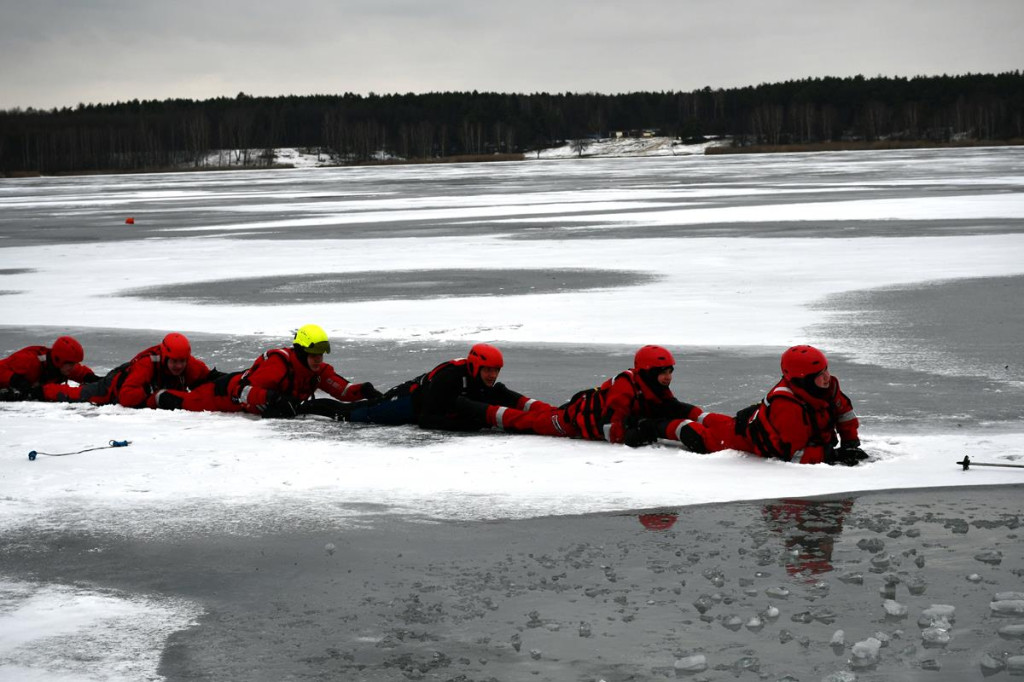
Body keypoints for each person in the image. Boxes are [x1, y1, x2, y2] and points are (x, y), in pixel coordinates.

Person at [454, 345, 721, 452]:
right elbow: (611, 430)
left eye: (670, 371)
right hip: (574, 422)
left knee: (543, 412)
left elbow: (670, 407)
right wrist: (641, 430)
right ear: (647, 372)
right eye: (662, 372)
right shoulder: (626, 388)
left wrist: (703, 418)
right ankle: (474, 408)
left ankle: (502, 394)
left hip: (580, 409)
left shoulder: (654, 387)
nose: (667, 377)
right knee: (527, 421)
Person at [704, 345, 868, 465]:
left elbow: (844, 414)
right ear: (804, 380)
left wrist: (850, 443)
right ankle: (679, 417)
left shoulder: (828, 388)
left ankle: (695, 414)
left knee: (713, 420)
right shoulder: (788, 407)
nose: (827, 377)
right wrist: (832, 455)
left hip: (750, 419)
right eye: (820, 374)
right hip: (742, 438)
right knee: (698, 434)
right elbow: (793, 454)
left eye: (826, 369)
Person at [176, 324, 380, 418]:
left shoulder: (316, 370)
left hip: (237, 388)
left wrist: (365, 391)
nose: (319, 358)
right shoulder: (279, 365)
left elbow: (343, 391)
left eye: (321, 354)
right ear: (301, 352)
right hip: (222, 394)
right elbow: (241, 392)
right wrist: (273, 398)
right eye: (313, 354)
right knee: (180, 401)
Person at [338, 342, 553, 432]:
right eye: (488, 369)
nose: (493, 375)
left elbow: (511, 398)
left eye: (496, 370)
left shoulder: (486, 384)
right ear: (475, 366)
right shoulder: (450, 378)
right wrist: (470, 424)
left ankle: (369, 391)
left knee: (369, 405)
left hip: (423, 407)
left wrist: (551, 412)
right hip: (409, 403)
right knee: (355, 414)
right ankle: (305, 408)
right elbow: (426, 419)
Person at [44, 332, 217, 408]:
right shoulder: (147, 364)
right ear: (165, 358)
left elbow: (208, 377)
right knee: (78, 395)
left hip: (129, 376)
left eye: (182, 362)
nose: (179, 366)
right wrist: (150, 391)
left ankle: (88, 376)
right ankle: (43, 390)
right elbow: (126, 397)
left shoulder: (187, 363)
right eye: (174, 362)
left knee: (92, 381)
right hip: (114, 387)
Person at [0, 335, 98, 401]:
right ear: (59, 360)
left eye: (75, 363)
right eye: (71, 363)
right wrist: (14, 379)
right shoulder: (29, 360)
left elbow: (79, 371)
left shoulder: (61, 366)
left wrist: (91, 378)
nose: (74, 367)